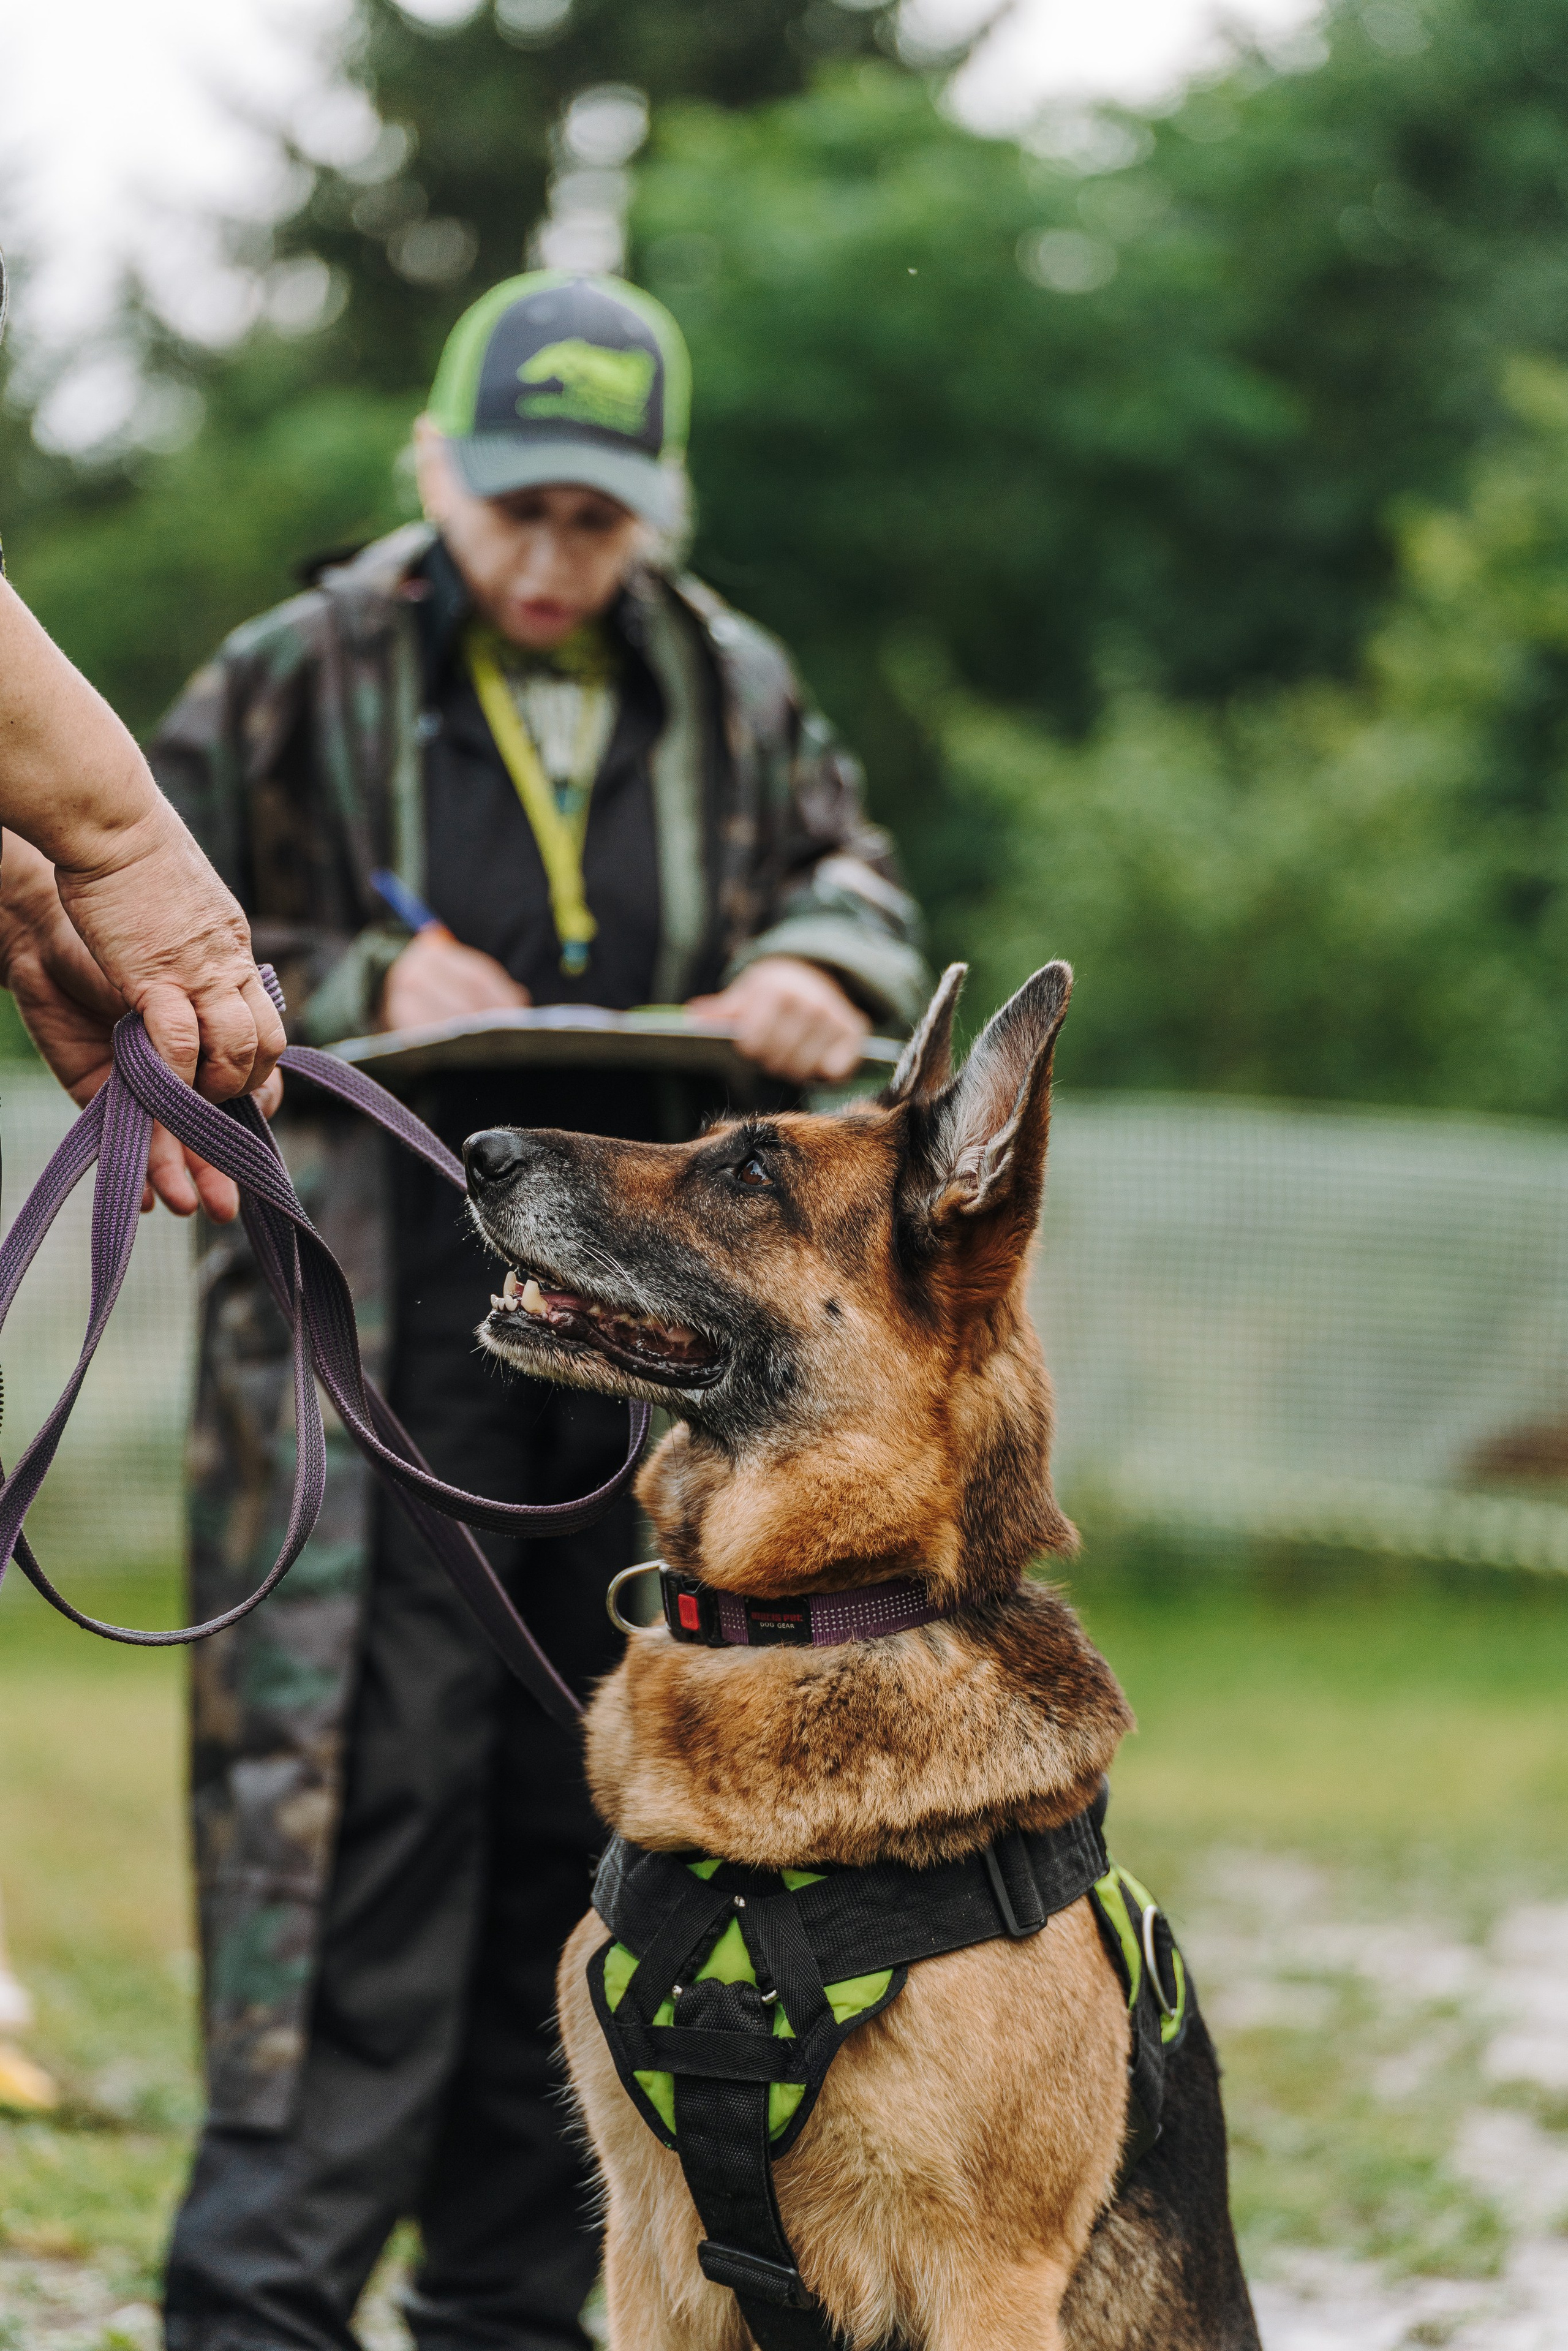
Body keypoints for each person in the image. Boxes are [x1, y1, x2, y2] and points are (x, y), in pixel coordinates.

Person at [151, 270, 928, 2351]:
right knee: (355, 1810)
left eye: (595, 519)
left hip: (648, 1364)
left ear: (654, 510)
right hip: (364, 1324)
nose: (551, 559)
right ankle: (258, 2307)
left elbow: (859, 872)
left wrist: (820, 969)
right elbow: (102, 911)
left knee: (581, 1804)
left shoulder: (737, 683)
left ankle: (509, 2306)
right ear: (435, 469)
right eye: (517, 510)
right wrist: (345, 978)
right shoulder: (296, 671)